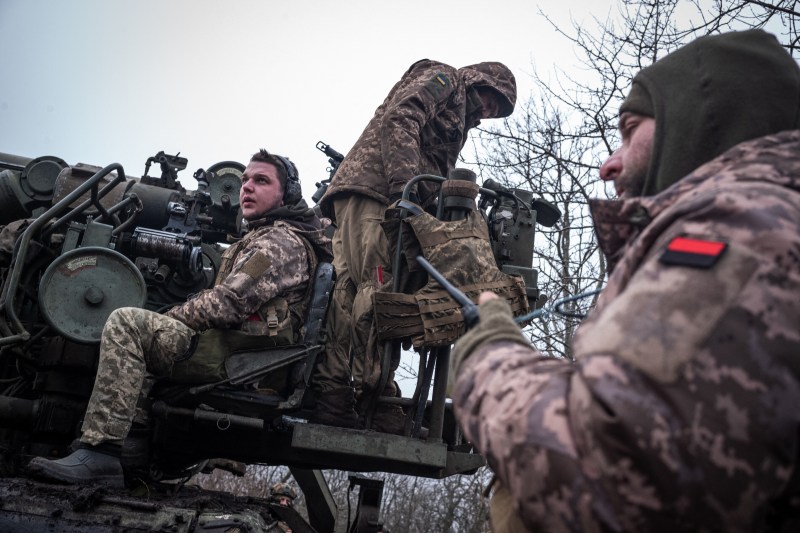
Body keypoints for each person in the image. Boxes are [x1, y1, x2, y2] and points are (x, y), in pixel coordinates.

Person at [450, 29, 800, 532]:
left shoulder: (743, 232)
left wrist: (489, 352)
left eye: (630, 130)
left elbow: (607, 473)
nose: (609, 164)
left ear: (700, 123)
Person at [28, 149, 333, 487]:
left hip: (241, 359)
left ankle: (100, 452)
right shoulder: (275, 236)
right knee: (150, 333)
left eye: (261, 181)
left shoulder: (278, 242)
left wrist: (172, 317)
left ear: (286, 194)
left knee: (128, 324)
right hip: (242, 353)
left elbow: (228, 303)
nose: (246, 187)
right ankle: (133, 449)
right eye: (245, 179)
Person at [313, 59, 517, 432]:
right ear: (481, 81)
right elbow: (402, 117)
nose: (489, 112)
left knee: (348, 292)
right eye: (492, 100)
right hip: (378, 195)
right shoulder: (446, 79)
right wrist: (403, 192)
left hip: (364, 193)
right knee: (379, 290)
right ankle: (375, 395)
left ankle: (336, 394)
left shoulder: (459, 108)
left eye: (497, 111)